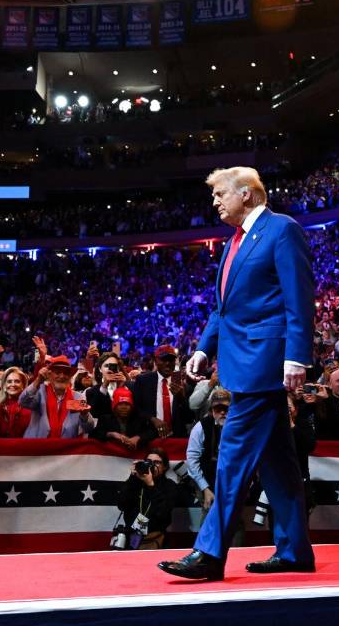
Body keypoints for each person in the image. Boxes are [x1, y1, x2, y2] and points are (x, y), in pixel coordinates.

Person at [159, 167, 315, 581]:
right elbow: (223, 308)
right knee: (280, 464)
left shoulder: (282, 230)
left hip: (264, 365)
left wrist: (296, 356)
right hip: (242, 361)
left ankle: (209, 552)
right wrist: (201, 348)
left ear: (247, 194)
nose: (214, 200)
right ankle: (295, 550)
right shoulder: (234, 242)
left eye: (220, 193)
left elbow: (300, 297)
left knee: (230, 459)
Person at [18, 349, 95, 439]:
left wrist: (84, 415)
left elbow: (88, 428)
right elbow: (23, 402)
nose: (62, 376)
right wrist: (37, 381)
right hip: (38, 448)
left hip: (64, 449)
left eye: (66, 373)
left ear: (70, 377)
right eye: (58, 372)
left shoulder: (78, 397)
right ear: (50, 375)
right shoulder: (40, 392)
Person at [115, 449, 178, 550]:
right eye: (149, 462)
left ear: (165, 467)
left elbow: (162, 512)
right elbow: (121, 505)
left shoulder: (170, 486)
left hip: (156, 539)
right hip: (131, 538)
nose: (152, 466)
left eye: (157, 463)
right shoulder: (135, 482)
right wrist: (132, 478)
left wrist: (151, 486)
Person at [131, 345, 193, 440]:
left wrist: (182, 398)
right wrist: (152, 419)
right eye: (163, 359)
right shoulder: (143, 381)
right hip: (149, 437)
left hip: (175, 438)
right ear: (155, 361)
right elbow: (136, 409)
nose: (167, 363)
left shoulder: (184, 385)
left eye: (171, 360)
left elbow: (189, 418)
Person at [186, 389, 232, 517]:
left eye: (226, 409)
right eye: (218, 409)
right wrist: (204, 488)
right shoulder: (201, 427)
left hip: (232, 480)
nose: (222, 412)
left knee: (233, 520)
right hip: (206, 477)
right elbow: (192, 460)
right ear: (212, 410)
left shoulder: (239, 427)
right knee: (209, 517)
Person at [0, 368, 32, 438]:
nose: (13, 384)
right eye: (9, 381)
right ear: (4, 386)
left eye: (17, 381)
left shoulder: (31, 409)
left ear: (23, 385)